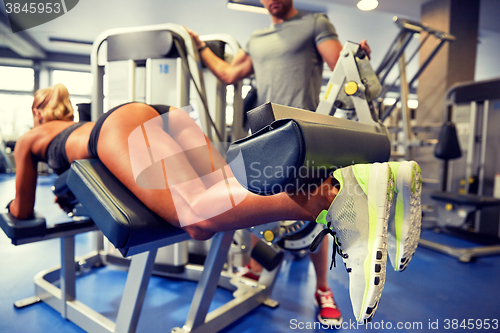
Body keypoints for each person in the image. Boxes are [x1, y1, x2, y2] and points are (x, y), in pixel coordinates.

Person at [6, 83, 421, 324]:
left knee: (195, 217)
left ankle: (333, 195)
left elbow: (22, 210)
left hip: (118, 127)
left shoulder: (31, 137)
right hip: (165, 115)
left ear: (36, 110)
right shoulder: (73, 123)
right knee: (230, 191)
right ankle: (378, 183)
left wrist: (13, 210)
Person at [185, 0, 371, 326]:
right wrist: (199, 47)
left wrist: (358, 63)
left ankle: (323, 289)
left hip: (304, 133)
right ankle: (256, 270)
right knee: (259, 201)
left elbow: (340, 66)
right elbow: (229, 74)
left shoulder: (316, 23)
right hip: (263, 132)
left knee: (315, 211)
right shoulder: (256, 38)